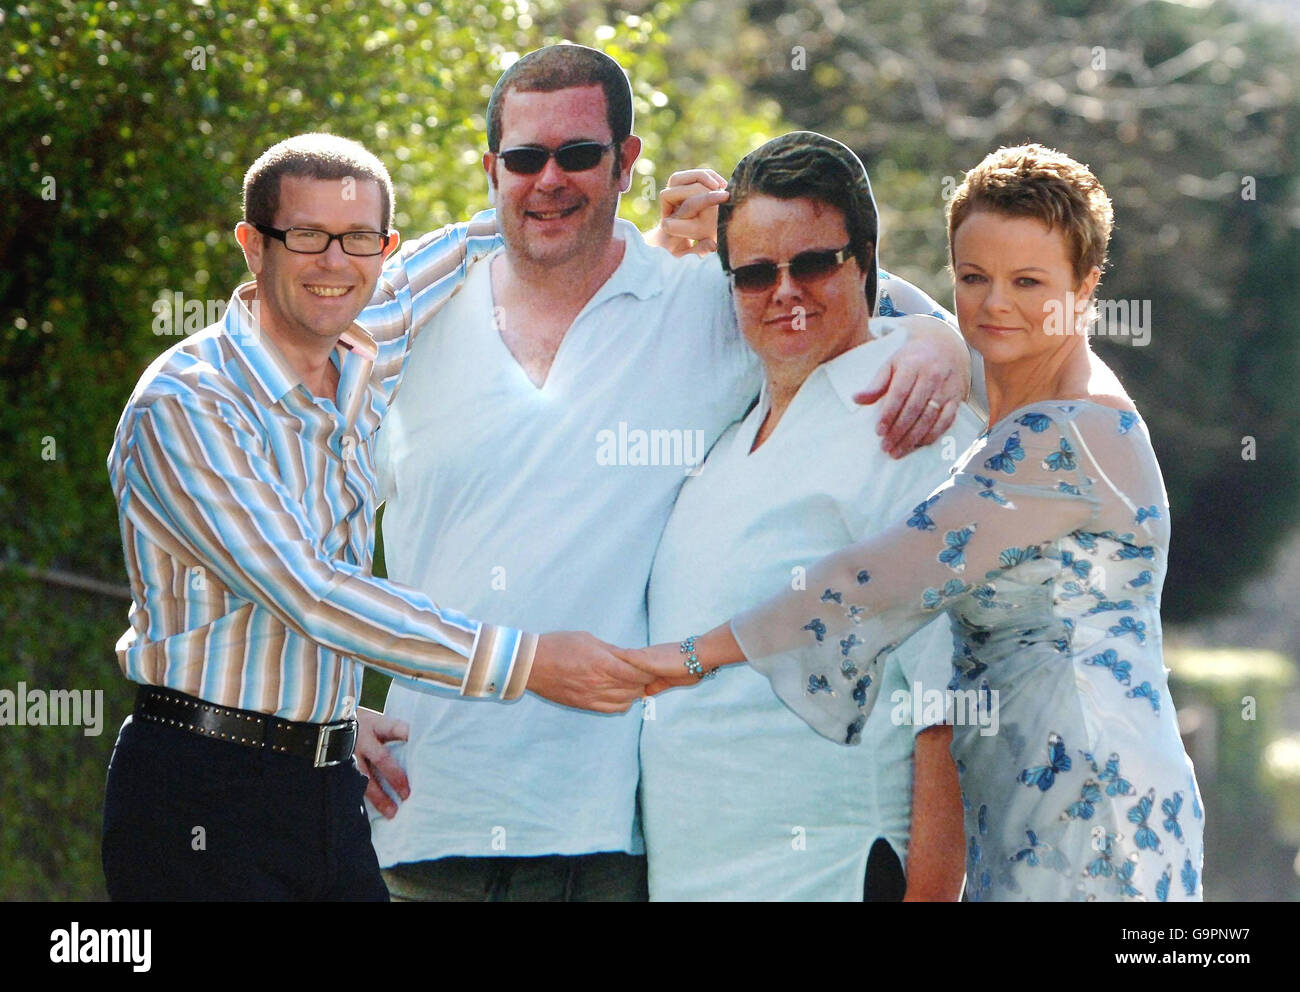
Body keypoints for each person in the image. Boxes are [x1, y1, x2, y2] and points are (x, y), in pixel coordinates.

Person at [363, 44, 972, 902]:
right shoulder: (405, 322)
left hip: (619, 841)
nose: (550, 180)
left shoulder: (700, 302)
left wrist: (945, 345)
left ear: (626, 161)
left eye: (578, 155)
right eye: (525, 158)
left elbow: (829, 290)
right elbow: (287, 518)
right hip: (427, 818)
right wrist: (320, 713)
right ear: (489, 164)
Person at [625, 143, 1205, 902]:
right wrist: (724, 238)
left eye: (1028, 281)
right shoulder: (987, 372)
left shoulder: (1063, 433)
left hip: (1097, 813)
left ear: (1087, 286)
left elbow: (872, 585)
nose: (995, 304)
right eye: (973, 279)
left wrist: (677, 660)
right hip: (1015, 802)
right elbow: (865, 299)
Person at [102, 132, 656, 901]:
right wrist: (531, 664)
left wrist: (671, 240)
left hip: (329, 790)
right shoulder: (188, 404)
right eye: (306, 236)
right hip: (201, 792)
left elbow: (486, 230)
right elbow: (311, 591)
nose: (335, 262)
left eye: (359, 239)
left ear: (384, 246)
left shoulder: (367, 344)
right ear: (251, 247)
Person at [639, 132, 975, 901]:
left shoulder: (911, 423)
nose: (784, 292)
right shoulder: (725, 441)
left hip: (834, 876)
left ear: (865, 262)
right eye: (755, 273)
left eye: (814, 263)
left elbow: (952, 710)